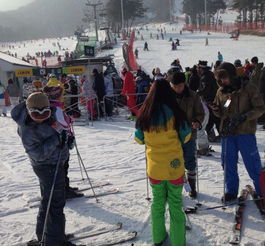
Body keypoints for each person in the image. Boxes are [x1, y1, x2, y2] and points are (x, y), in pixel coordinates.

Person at [11, 92, 77, 246]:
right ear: (28, 110)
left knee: (49, 201)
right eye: (36, 113)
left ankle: (47, 236)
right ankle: (54, 241)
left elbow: (59, 131)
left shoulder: (51, 117)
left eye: (45, 112)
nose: (41, 116)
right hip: (46, 167)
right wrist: (56, 140)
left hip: (55, 164)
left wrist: (67, 139)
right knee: (55, 203)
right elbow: (38, 154)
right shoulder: (27, 128)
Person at [135, 79, 191, 246]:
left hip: (154, 168)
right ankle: (178, 242)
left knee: (157, 202)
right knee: (175, 204)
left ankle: (158, 238)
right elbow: (186, 136)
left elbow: (138, 139)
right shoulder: (176, 112)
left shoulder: (144, 113)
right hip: (174, 167)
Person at [211, 62, 265, 202]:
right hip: (227, 133)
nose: (222, 81)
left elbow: (260, 108)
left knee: (253, 163)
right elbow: (221, 111)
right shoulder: (221, 91)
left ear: (232, 75)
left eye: (224, 78)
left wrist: (244, 117)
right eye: (220, 79)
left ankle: (262, 191)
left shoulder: (248, 88)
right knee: (228, 163)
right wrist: (216, 110)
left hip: (245, 132)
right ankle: (231, 191)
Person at [170, 72, 204, 198]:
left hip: (189, 134)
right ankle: (175, 187)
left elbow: (200, 113)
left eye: (179, 86)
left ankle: (191, 187)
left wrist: (197, 122)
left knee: (189, 160)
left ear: (184, 84)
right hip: (172, 136)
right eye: (174, 86)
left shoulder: (193, 96)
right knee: (174, 162)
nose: (177, 89)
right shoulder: (167, 96)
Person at [197, 60, 220, 142]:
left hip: (209, 101)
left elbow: (205, 90)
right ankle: (221, 135)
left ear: (201, 68)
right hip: (215, 100)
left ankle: (212, 137)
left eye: (198, 68)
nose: (197, 69)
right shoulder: (210, 74)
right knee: (216, 119)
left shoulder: (204, 77)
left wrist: (197, 93)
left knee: (209, 120)